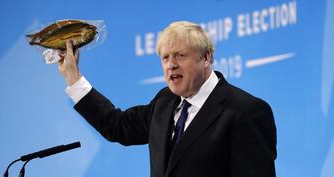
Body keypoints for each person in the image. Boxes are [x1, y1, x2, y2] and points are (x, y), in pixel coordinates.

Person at [58, 21, 277, 177]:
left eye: (180, 55)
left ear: (206, 58)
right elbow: (116, 125)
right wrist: (73, 78)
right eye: (165, 58)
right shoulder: (165, 102)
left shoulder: (245, 111)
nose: (171, 64)